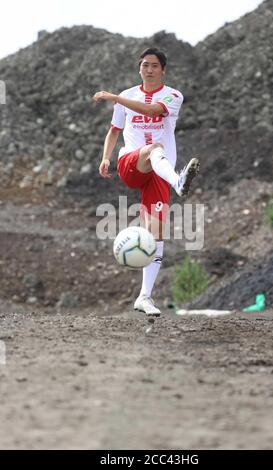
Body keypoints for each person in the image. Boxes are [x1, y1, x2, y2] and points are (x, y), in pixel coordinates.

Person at [93, 47, 200, 316]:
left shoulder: (173, 95)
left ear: (163, 69)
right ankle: (179, 182)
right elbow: (114, 130)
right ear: (139, 68)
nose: (149, 69)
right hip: (131, 163)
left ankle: (144, 297)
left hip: (158, 172)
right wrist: (106, 158)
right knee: (152, 149)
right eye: (144, 65)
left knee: (156, 234)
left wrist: (115, 97)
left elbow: (152, 111)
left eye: (154, 65)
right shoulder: (127, 96)